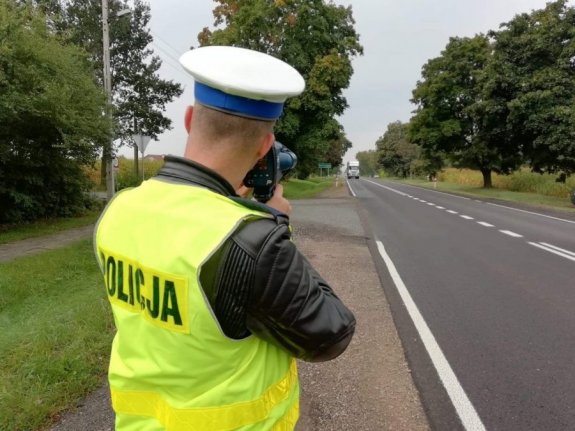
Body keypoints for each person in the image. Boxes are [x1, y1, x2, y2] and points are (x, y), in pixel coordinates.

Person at [94, 45, 356, 431]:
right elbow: (331, 334)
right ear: (265, 146)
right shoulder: (249, 239)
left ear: (188, 120)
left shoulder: (118, 210)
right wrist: (275, 224)